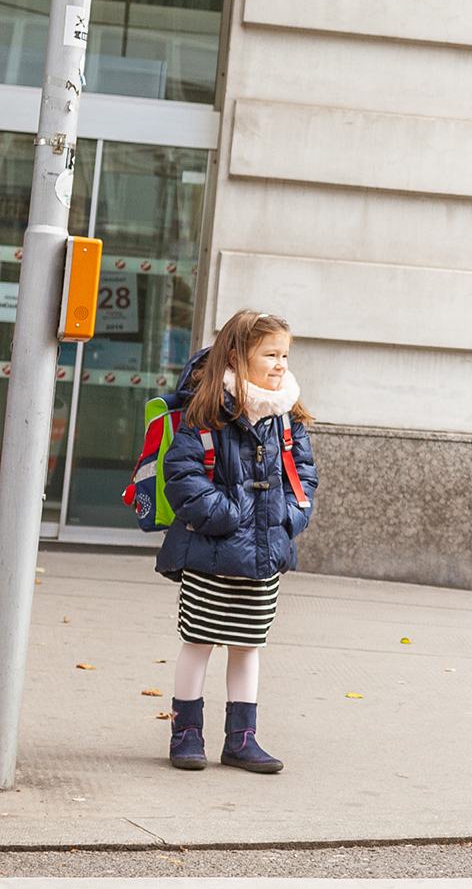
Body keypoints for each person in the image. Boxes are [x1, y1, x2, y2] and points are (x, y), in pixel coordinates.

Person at [157, 310, 320, 775]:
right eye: (269, 354)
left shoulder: (285, 414)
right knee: (199, 641)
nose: (280, 364)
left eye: (285, 354)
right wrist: (228, 517)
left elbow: (303, 478)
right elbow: (183, 475)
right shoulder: (207, 411)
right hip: (210, 552)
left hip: (264, 554)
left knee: (247, 644)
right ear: (237, 356)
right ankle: (186, 733)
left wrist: (287, 519)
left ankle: (241, 739)